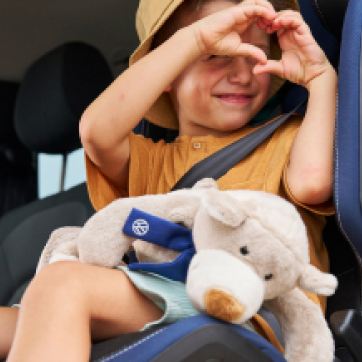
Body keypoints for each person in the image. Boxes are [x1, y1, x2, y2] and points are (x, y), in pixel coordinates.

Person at [0, 0, 337, 360]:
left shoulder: (286, 139)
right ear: (168, 70)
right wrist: (194, 40)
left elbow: (312, 182)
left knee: (62, 285)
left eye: (256, 54)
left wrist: (321, 77)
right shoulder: (152, 160)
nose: (243, 74)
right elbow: (96, 133)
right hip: (168, 295)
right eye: (216, 54)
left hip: (249, 306)